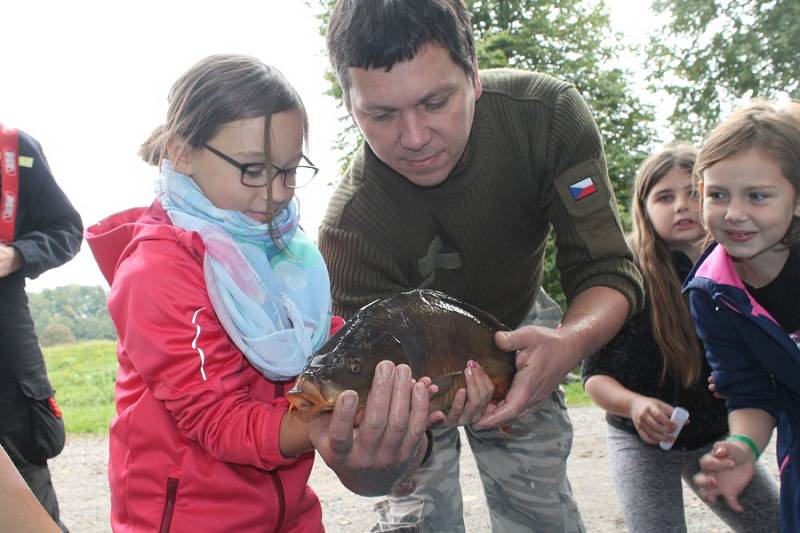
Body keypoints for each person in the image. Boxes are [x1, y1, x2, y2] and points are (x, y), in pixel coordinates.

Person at [319, 1, 644, 530]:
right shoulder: (349, 230)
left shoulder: (547, 117)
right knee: (417, 517)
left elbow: (609, 270)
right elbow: (367, 458)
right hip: (406, 363)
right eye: (381, 114)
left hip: (522, 324)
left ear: (473, 76)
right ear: (350, 103)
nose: (415, 136)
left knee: (540, 514)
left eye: (435, 101)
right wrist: (377, 456)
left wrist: (568, 344)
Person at [84, 54, 443, 533]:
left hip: (289, 512)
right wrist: (325, 425)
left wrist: (414, 386)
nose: (276, 193)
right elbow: (216, 419)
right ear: (184, 152)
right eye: (254, 170)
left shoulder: (282, 250)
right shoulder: (155, 272)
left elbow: (329, 349)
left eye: (290, 172)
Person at [582, 144, 779, 532]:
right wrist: (636, 406)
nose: (681, 206)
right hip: (640, 441)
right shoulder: (626, 278)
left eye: (693, 192)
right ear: (643, 208)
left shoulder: (746, 264)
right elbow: (594, 378)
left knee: (778, 524)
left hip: (717, 439)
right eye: (664, 197)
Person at [685, 100, 800, 532]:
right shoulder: (710, 294)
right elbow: (747, 390)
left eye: (757, 195)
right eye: (718, 195)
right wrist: (744, 446)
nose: (734, 213)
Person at [0, 125, 81, 532]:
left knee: (25, 482)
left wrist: (16, 255)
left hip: (6, 341)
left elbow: (67, 229)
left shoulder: (13, 150)